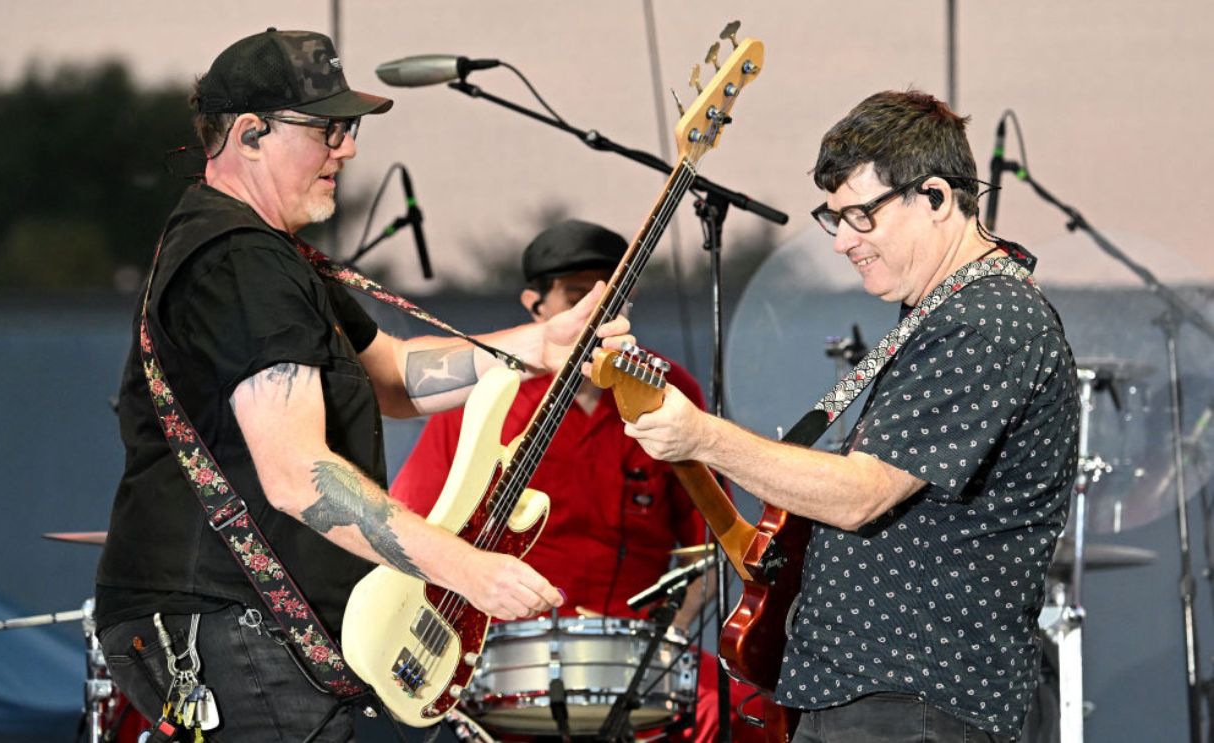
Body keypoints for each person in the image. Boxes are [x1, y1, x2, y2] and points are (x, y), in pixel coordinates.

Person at [94, 29, 631, 742]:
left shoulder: (268, 255)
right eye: (328, 129)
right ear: (251, 133)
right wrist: (465, 568)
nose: (347, 149)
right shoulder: (239, 261)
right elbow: (298, 475)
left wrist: (540, 344)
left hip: (242, 621)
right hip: (226, 617)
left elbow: (397, 376)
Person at [621, 90, 1080, 742]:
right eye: (832, 218)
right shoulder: (944, 310)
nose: (841, 242)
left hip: (916, 699)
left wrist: (703, 434)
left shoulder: (987, 319)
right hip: (881, 695)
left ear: (934, 198)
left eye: (859, 215)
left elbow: (864, 494)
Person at [392, 219, 751, 741]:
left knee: (741, 709)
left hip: (636, 648)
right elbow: (414, 525)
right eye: (576, 295)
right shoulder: (485, 398)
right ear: (534, 305)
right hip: (508, 651)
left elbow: (708, 546)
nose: (596, 310)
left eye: (613, 295)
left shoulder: (670, 391)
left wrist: (668, 636)